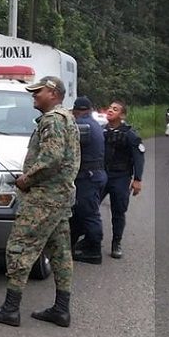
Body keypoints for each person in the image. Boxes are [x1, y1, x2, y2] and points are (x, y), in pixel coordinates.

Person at [0, 76, 80, 328]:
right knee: (60, 252)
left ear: (53, 93)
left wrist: (26, 179)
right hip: (60, 198)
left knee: (19, 248)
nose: (33, 95)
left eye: (38, 91)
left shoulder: (52, 120)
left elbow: (51, 159)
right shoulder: (67, 118)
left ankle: (10, 309)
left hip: (43, 199)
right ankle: (61, 309)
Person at [101, 100, 145, 259]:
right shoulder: (101, 131)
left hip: (120, 177)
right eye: (110, 108)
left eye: (115, 109)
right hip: (102, 175)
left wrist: (137, 179)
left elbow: (138, 157)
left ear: (122, 115)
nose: (110, 110)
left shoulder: (130, 134)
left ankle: (116, 243)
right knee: (89, 207)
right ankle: (88, 239)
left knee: (118, 211)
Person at [69, 96, 107, 265]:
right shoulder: (94, 124)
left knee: (89, 213)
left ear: (76, 111)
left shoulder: (82, 125)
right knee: (80, 212)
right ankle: (79, 243)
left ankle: (94, 250)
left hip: (88, 176)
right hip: (95, 174)